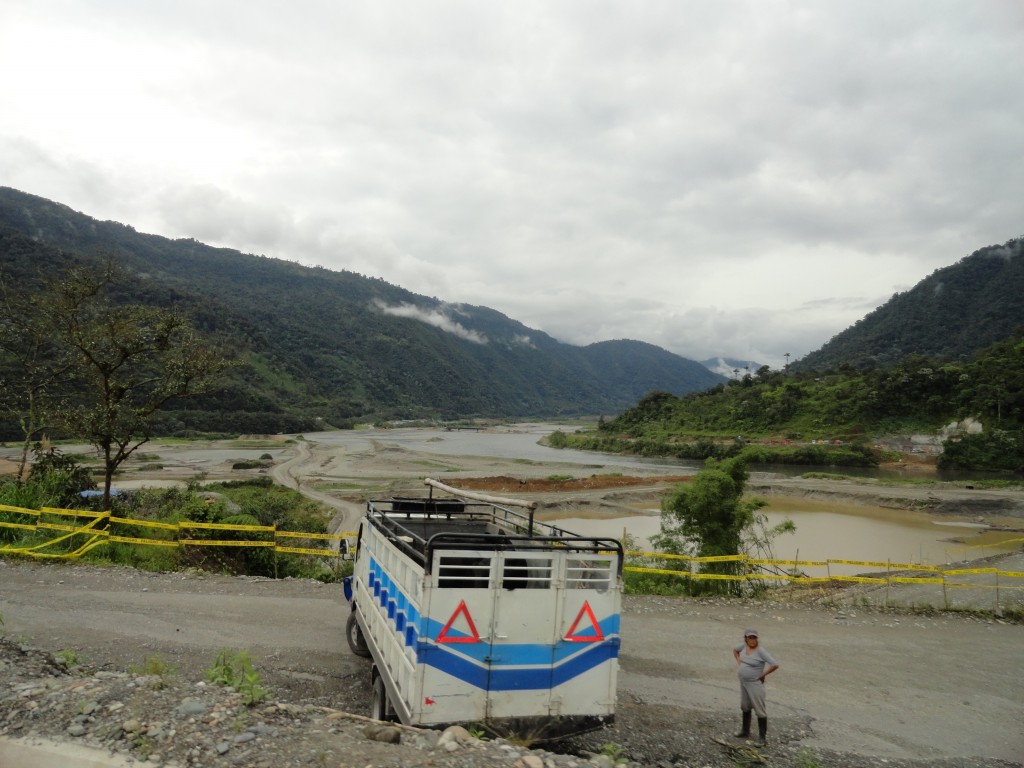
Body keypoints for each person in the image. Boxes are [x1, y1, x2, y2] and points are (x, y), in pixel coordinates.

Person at [732, 628, 779, 746]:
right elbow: (735, 650)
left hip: (754, 684)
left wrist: (763, 674)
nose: (752, 640)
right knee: (745, 706)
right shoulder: (743, 646)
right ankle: (745, 731)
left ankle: (762, 739)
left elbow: (774, 664)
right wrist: (739, 661)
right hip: (743, 683)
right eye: (750, 638)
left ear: (757, 639)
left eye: (754, 638)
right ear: (746, 639)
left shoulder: (760, 651)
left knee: (760, 709)